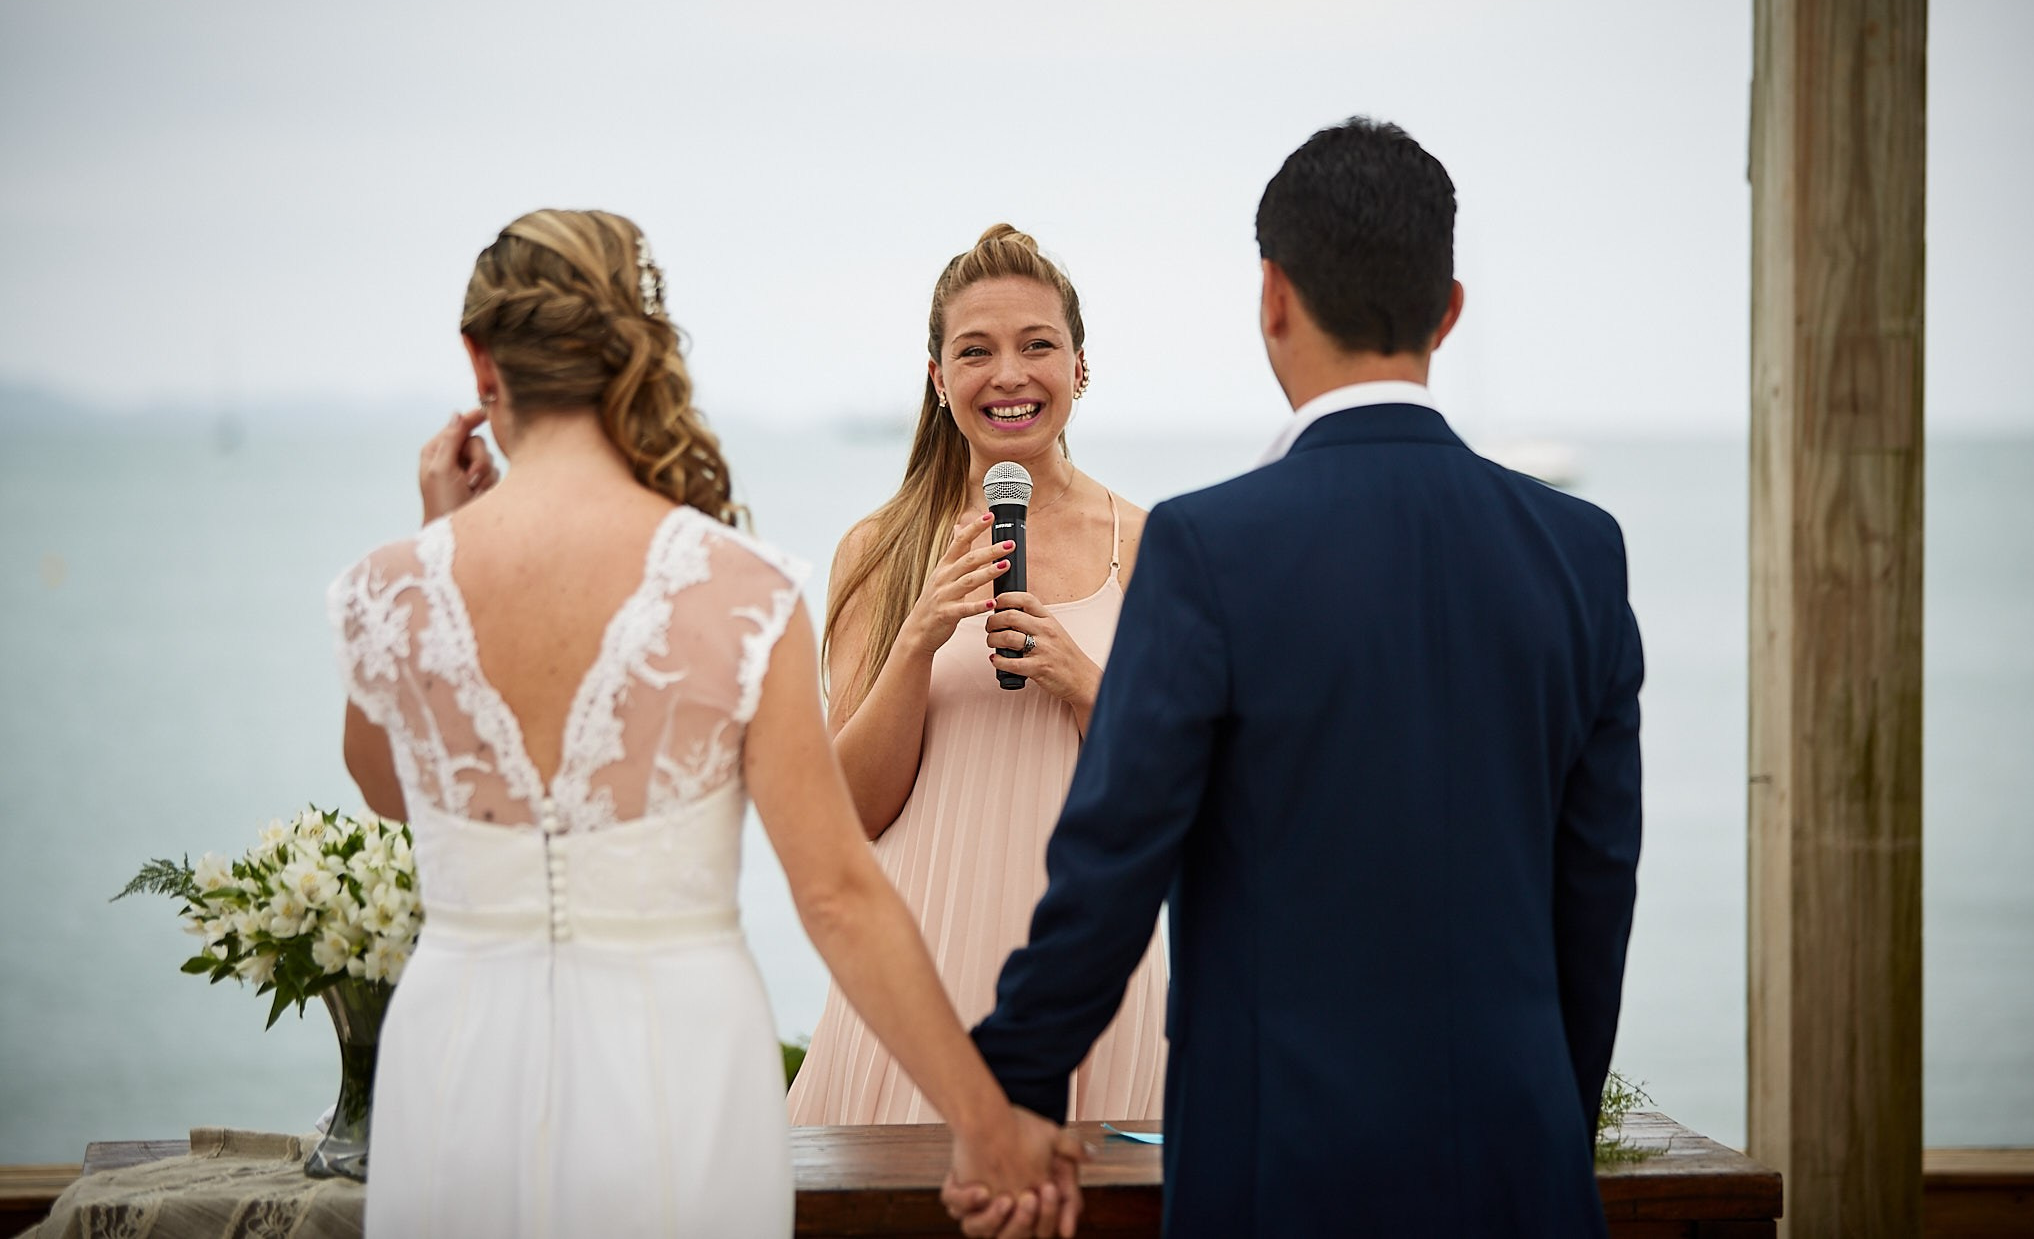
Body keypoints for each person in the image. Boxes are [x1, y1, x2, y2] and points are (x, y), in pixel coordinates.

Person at [951, 120, 1645, 1237]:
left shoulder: (1210, 548)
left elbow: (1113, 858)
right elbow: (1594, 891)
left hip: (1281, 1175)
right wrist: (1547, 1126)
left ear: (1270, 297)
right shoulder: (1579, 550)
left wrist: (1013, 1093)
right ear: (1448, 308)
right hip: (1523, 1172)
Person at [331, 210, 1080, 1238]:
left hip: (454, 1053)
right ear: (641, 352)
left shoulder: (392, 588)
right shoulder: (735, 589)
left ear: (480, 361)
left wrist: (442, 544)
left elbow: (383, 787)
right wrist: (985, 1121)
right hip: (675, 1058)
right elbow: (835, 892)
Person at [786, 225, 1168, 1126]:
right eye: (975, 351)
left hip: (1095, 975)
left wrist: (1084, 682)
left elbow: (1182, 796)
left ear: (1079, 369)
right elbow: (848, 814)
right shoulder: (878, 550)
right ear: (937, 376)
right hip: (920, 978)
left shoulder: (1151, 546)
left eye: (1038, 345)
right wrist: (918, 638)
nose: (1009, 375)